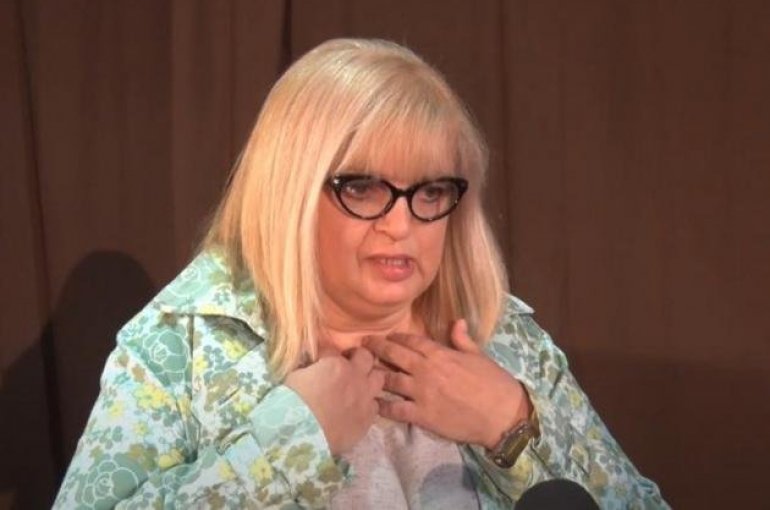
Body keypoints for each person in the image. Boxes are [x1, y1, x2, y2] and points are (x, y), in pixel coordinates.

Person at [53, 38, 668, 509]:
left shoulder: (501, 334)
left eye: (430, 192)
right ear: (291, 193)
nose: (402, 225)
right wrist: (290, 443)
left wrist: (511, 428)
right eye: (364, 188)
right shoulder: (180, 347)